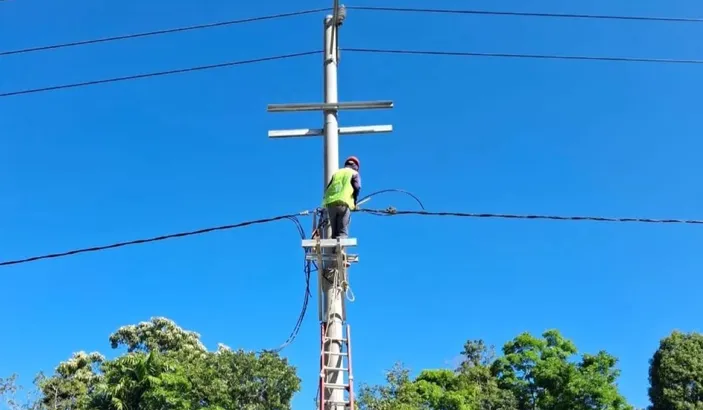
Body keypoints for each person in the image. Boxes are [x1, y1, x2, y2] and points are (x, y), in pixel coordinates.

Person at [322, 156, 361, 240]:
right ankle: (339, 250)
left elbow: (328, 188)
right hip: (343, 203)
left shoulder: (337, 173)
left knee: (334, 232)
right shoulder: (354, 173)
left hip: (330, 203)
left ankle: (333, 250)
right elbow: (357, 187)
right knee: (342, 232)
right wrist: (354, 203)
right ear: (356, 167)